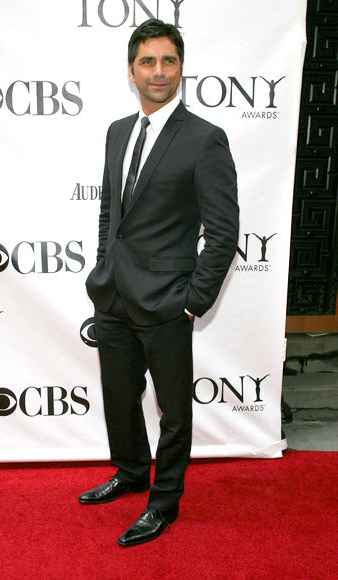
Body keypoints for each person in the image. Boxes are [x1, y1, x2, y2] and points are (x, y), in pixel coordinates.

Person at [79, 19, 239, 546]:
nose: (158, 71)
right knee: (119, 396)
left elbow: (223, 231)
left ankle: (164, 502)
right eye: (147, 61)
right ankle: (129, 472)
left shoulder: (204, 139)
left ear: (181, 69)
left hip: (168, 302)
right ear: (131, 70)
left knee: (173, 409)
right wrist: (103, 266)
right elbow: (111, 211)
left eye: (168, 61)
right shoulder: (118, 131)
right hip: (113, 296)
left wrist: (193, 301)